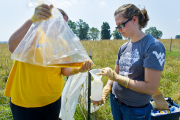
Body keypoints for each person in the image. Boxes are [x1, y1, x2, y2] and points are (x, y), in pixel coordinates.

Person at [4, 4, 92, 120]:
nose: (61, 27)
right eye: (58, 21)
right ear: (48, 19)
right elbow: (12, 46)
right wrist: (33, 20)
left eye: (64, 25)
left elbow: (64, 70)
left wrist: (78, 69)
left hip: (53, 100)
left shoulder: (63, 44)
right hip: (25, 102)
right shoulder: (32, 34)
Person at [96, 4, 166, 120]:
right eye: (117, 27)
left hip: (136, 110)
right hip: (116, 102)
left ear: (134, 19)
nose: (119, 30)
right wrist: (106, 90)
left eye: (121, 25)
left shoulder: (153, 46)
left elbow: (150, 88)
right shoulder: (123, 47)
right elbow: (115, 74)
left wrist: (117, 78)